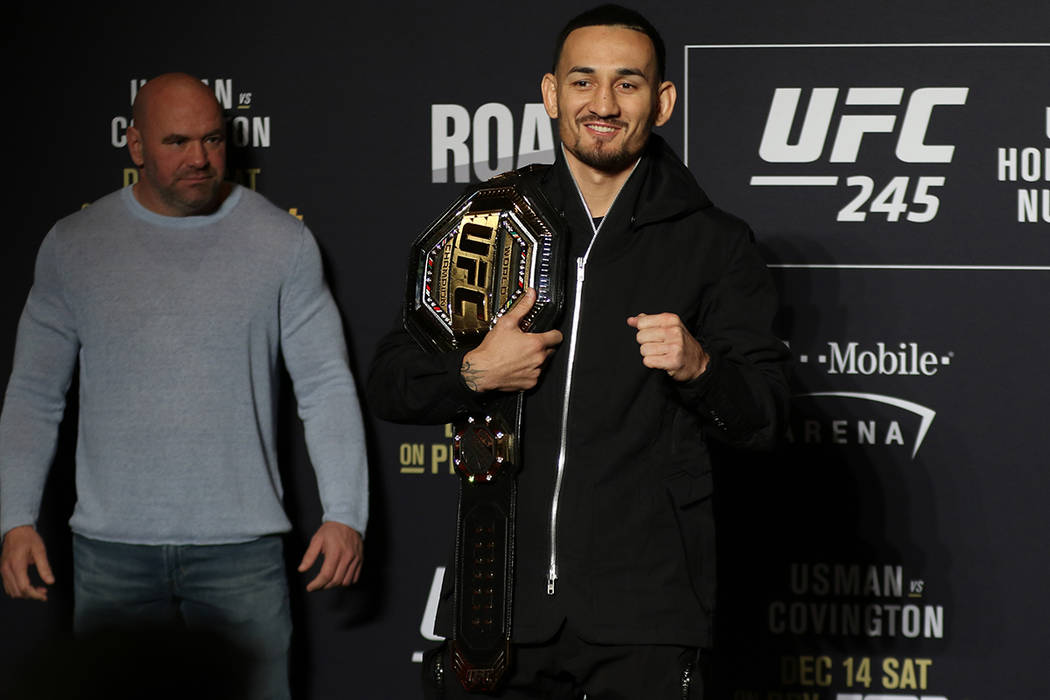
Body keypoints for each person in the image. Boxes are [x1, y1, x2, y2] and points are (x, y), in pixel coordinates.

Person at [368, 4, 789, 698]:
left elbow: (767, 417)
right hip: (495, 598)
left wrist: (700, 369)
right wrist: (475, 371)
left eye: (628, 84)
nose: (602, 104)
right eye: (583, 81)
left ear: (663, 101)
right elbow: (390, 380)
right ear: (550, 94)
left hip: (645, 611)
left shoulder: (715, 243)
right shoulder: (489, 221)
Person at [0, 73, 368, 700]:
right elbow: (35, 393)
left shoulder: (283, 241)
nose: (200, 158)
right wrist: (15, 517)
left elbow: (326, 384)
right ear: (135, 144)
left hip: (243, 549)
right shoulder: (73, 246)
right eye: (177, 142)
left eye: (213, 139)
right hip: (109, 549)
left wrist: (345, 512)